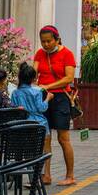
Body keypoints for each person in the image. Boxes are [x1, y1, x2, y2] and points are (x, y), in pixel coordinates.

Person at [33, 25, 77, 186]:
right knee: (45, 138)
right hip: (43, 98)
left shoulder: (67, 54)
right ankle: (46, 175)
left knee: (63, 138)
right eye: (43, 41)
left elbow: (69, 78)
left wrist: (48, 86)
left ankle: (70, 175)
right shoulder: (40, 54)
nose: (46, 45)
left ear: (57, 39)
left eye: (49, 41)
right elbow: (34, 72)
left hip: (60, 98)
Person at [10, 63, 49, 132]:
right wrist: (48, 98)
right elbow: (41, 108)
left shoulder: (15, 93)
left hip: (20, 124)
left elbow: (13, 109)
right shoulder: (37, 91)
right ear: (34, 79)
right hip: (38, 123)